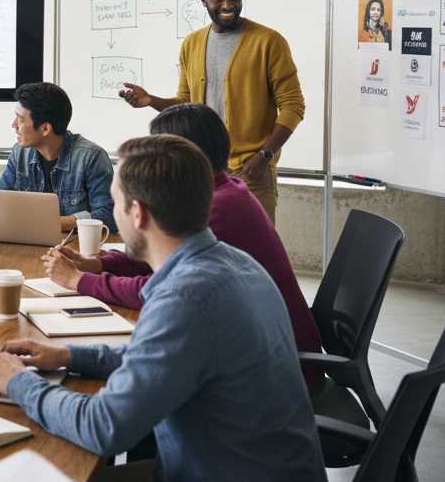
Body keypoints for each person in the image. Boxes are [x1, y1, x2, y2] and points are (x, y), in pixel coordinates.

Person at [0, 135, 326, 482]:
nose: (113, 212)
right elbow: (158, 356)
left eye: (115, 202)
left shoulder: (185, 300)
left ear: (138, 213)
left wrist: (16, 381)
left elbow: (103, 427)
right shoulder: (234, 263)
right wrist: (68, 355)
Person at [44, 102, 323, 390]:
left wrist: (81, 281)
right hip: (262, 360)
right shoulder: (227, 189)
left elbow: (157, 290)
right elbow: (163, 256)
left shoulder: (217, 208)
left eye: (158, 150)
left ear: (184, 157)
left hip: (278, 378)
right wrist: (101, 264)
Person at [118, 0, 304, 223]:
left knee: (252, 251)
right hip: (200, 172)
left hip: (252, 173)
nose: (228, 5)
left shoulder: (269, 42)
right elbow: (186, 103)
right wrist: (151, 101)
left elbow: (293, 106)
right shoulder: (192, 43)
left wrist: (266, 156)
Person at [0, 82, 116, 232]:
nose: (14, 125)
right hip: (29, 241)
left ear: (45, 128)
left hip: (75, 248)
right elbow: (0, 204)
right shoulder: (19, 153)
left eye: (20, 119)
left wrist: (50, 224)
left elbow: (108, 216)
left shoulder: (91, 157)